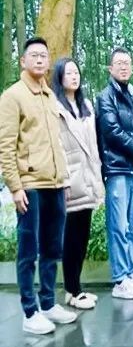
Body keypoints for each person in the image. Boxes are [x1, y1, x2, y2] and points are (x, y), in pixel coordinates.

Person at [0, 38, 76, 334]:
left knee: (52, 248)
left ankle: (48, 303)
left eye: (44, 55)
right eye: (34, 55)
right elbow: (5, 146)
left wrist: (64, 178)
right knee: (28, 251)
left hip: (55, 184)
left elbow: (57, 142)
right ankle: (30, 312)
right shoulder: (12, 96)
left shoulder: (49, 95)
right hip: (30, 185)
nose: (40, 60)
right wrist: (15, 187)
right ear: (23, 61)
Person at [96, 47, 133, 299]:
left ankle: (131, 271)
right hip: (117, 168)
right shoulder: (105, 96)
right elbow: (111, 129)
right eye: (119, 63)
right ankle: (120, 278)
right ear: (110, 68)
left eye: (127, 63)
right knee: (118, 225)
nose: (123, 67)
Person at [52, 58, 104, 310]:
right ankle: (72, 290)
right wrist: (61, 179)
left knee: (82, 235)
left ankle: (76, 288)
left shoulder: (86, 106)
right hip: (70, 179)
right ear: (60, 77)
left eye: (76, 72)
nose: (74, 76)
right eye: (69, 73)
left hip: (89, 176)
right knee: (71, 237)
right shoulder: (55, 108)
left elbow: (94, 144)